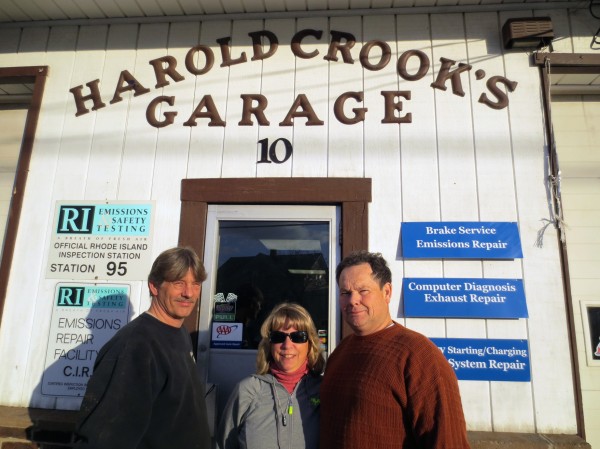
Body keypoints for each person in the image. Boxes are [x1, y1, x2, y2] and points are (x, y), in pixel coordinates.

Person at [320, 250, 471, 449]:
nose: (353, 300)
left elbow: (447, 441)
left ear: (387, 292)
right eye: (345, 293)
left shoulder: (419, 355)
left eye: (363, 291)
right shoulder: (340, 352)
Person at [74, 246, 211, 449]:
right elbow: (103, 437)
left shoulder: (179, 332)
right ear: (154, 286)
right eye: (178, 283)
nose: (189, 293)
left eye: (196, 284)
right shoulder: (136, 346)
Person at [217, 302, 324, 449]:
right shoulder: (248, 390)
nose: (287, 345)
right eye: (278, 336)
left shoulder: (323, 390)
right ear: (269, 344)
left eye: (298, 336)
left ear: (310, 343)